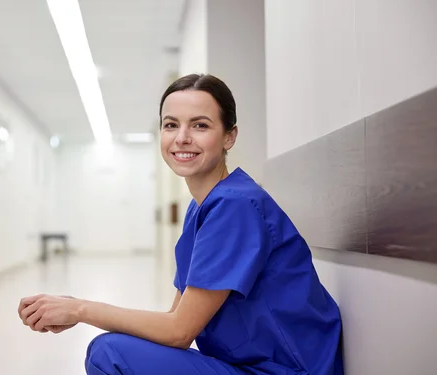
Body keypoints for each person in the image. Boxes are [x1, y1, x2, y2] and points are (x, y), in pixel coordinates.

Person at [18, 73, 344, 375]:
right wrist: (74, 307)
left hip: (286, 371)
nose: (182, 138)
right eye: (171, 125)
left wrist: (79, 309)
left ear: (229, 137)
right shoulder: (202, 208)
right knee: (113, 349)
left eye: (200, 126)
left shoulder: (236, 206)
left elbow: (178, 333)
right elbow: (174, 324)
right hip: (248, 365)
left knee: (109, 352)